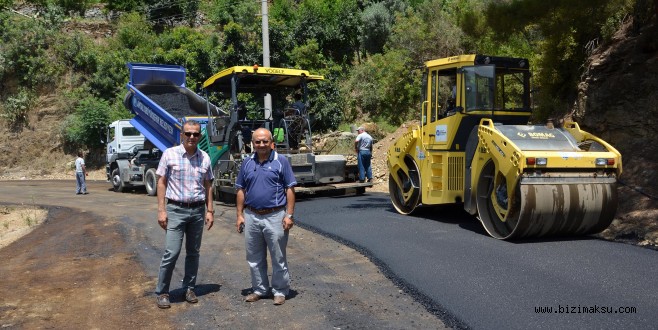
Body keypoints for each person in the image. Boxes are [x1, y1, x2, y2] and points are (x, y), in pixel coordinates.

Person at [154, 120, 215, 309]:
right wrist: (161, 210)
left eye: (195, 134)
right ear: (181, 135)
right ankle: (163, 292)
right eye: (188, 133)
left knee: (193, 253)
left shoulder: (204, 157)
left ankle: (189, 288)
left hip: (197, 210)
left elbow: (208, 184)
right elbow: (161, 182)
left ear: (200, 136)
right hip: (175, 210)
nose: (191, 137)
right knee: (171, 252)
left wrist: (210, 210)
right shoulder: (169, 154)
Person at [235, 127, 296, 306]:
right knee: (254, 257)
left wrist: (289, 215)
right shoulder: (247, 163)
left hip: (275, 216)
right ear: (252, 144)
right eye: (257, 141)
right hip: (252, 215)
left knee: (278, 256)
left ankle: (280, 290)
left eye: (265, 141)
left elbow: (290, 189)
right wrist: (239, 215)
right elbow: (240, 189)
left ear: (272, 143)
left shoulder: (281, 161)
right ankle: (260, 289)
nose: (261, 144)